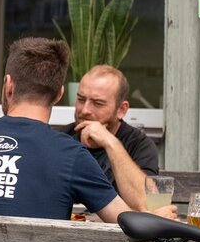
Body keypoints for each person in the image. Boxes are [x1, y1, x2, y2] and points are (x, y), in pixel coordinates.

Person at [0, 37, 166, 242]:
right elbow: (128, 224)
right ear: (60, 94)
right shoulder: (70, 153)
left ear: (9, 85)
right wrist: (157, 221)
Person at [62, 65, 159, 211]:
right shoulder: (61, 138)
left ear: (121, 110)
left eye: (97, 103)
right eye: (81, 99)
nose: (85, 110)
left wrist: (110, 143)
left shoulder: (139, 144)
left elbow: (147, 205)